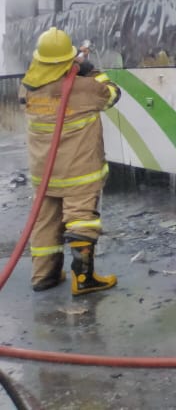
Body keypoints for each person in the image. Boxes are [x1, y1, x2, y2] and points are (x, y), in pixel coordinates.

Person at [21, 27, 121, 295]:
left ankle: (44, 276)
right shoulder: (83, 87)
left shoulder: (28, 87)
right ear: (68, 59)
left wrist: (68, 66)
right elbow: (112, 93)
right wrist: (88, 68)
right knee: (81, 219)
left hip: (44, 173)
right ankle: (84, 279)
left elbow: (44, 81)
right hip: (78, 170)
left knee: (44, 223)